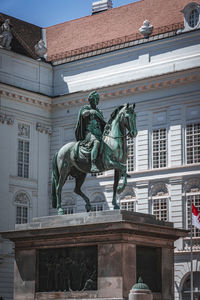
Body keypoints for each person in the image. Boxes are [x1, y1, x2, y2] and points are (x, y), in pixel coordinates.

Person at [75, 91, 106, 173]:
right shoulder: (86, 108)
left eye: (97, 99)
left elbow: (102, 122)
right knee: (96, 143)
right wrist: (91, 111)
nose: (97, 101)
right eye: (95, 99)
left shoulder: (99, 111)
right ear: (91, 100)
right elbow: (83, 114)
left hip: (99, 132)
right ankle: (93, 165)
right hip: (89, 133)